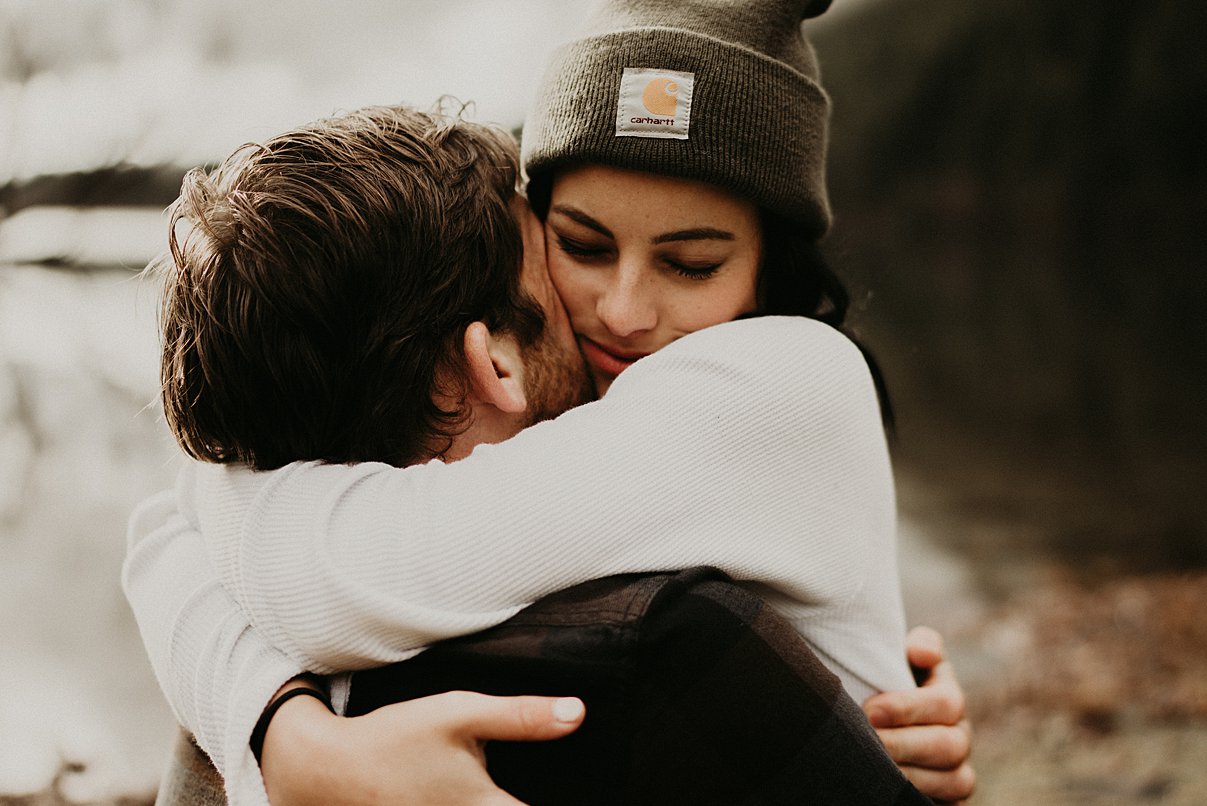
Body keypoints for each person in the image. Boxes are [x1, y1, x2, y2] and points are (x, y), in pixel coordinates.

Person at [125, 4, 973, 803]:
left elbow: (330, 571)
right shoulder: (586, 417)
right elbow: (189, 539)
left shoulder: (775, 382)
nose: (622, 311)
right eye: (581, 246)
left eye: (690, 264)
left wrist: (286, 736)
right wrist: (277, 723)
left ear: (767, 268)